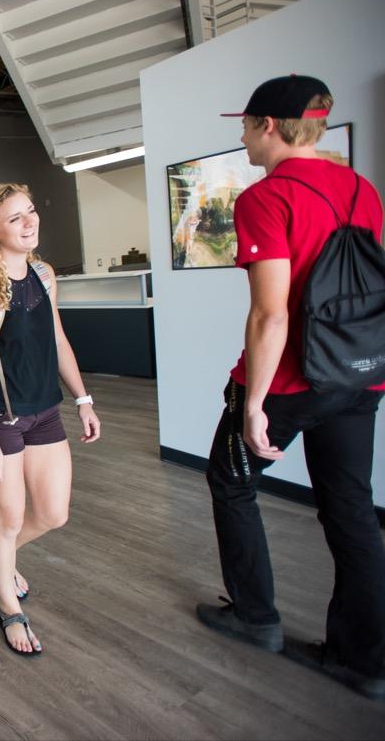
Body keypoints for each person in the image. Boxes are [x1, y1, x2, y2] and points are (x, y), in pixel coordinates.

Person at [195, 75, 385, 701]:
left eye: (247, 126)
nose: (244, 138)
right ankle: (364, 660)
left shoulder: (267, 196)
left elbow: (270, 314)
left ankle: (256, 617)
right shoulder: (362, 189)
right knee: (351, 508)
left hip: (292, 380)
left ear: (270, 126)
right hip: (361, 376)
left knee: (231, 481)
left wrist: (254, 404)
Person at [0, 183, 101, 656]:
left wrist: (82, 398)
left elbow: (57, 338)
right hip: (1, 416)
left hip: (45, 409)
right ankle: (8, 607)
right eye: (15, 218)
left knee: (53, 514)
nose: (29, 221)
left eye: (30, 211)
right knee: (8, 517)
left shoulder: (43, 274)